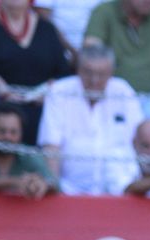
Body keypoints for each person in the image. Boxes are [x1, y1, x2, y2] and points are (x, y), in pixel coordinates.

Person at [39, 44, 143, 195]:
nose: (94, 80)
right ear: (78, 70)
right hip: (70, 190)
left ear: (111, 73)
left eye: (101, 74)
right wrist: (55, 191)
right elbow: (51, 146)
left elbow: (140, 140)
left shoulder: (123, 91)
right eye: (88, 73)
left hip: (120, 190)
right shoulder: (59, 91)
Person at [0, 0, 74, 144]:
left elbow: (63, 72)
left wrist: (46, 90)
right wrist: (2, 89)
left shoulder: (47, 28)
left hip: (42, 108)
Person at [0, 102, 59, 198]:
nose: (7, 137)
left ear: (21, 134)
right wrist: (16, 182)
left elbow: (54, 183)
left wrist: (41, 184)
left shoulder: (28, 154)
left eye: (13, 132)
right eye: (2, 131)